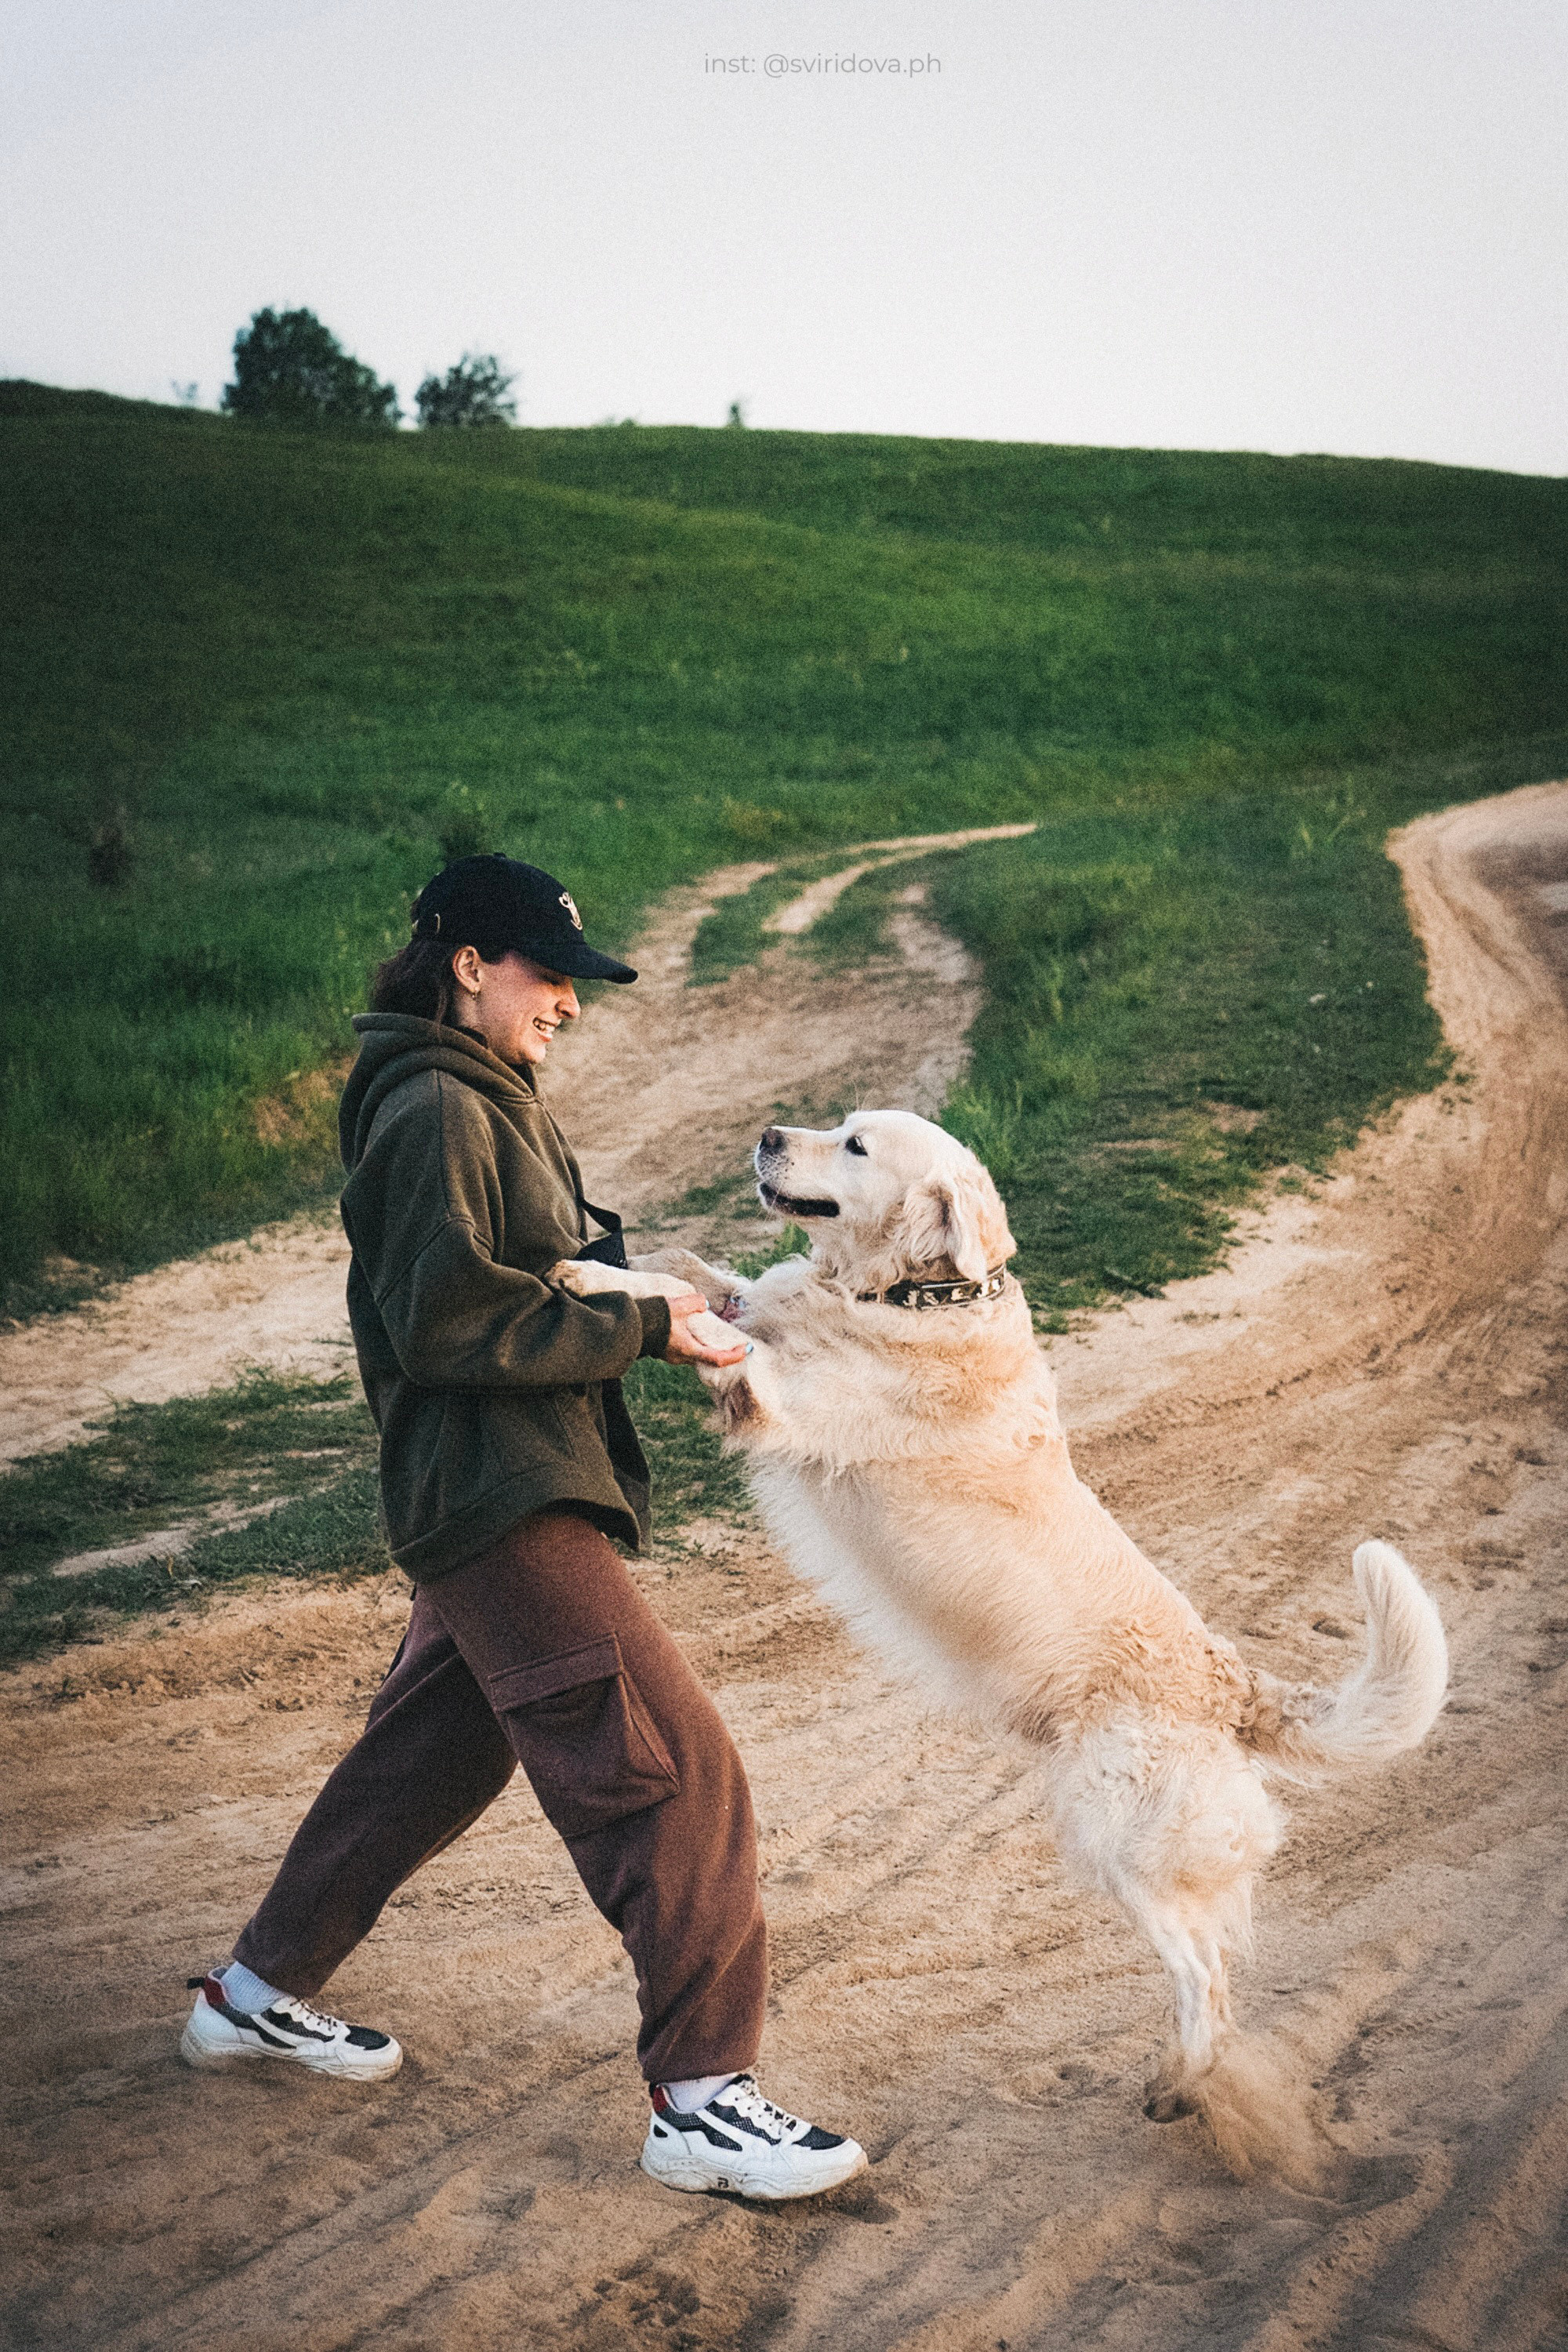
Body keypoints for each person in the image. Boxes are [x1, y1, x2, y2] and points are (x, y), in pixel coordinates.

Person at [180, 855, 866, 2201]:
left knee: (429, 1759)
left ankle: (251, 1993)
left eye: (575, 982)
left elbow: (517, 1271)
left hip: (500, 1481)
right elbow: (445, 1322)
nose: (568, 1001)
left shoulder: (478, 1093)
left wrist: (645, 1282)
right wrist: (643, 1322)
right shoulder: (436, 1104)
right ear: (467, 966)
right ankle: (702, 2098)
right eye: (549, 975)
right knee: (675, 1773)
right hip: (499, 1498)